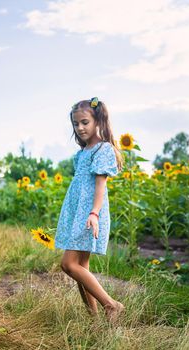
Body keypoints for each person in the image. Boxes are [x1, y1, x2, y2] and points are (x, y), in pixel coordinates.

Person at [54, 97, 124, 322]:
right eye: (76, 124)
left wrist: (93, 213)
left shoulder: (103, 149)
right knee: (81, 268)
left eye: (85, 122)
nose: (80, 128)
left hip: (90, 214)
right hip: (79, 214)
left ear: (98, 121)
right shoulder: (83, 152)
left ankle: (111, 305)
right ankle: (93, 319)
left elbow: (100, 186)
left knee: (69, 264)